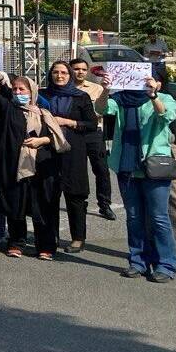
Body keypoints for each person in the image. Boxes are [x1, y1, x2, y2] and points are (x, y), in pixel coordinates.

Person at [104, 74, 176, 283]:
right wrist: (105, 90)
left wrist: (153, 95)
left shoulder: (165, 98)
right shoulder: (120, 99)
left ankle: (166, 263)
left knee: (158, 218)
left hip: (155, 167)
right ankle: (138, 261)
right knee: (134, 218)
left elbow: (165, 116)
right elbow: (101, 109)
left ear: (158, 83)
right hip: (127, 167)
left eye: (148, 79)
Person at [0, 75, 66, 260]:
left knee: (42, 207)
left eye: (22, 90)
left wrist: (42, 140)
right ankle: (16, 242)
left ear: (32, 91)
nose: (18, 93)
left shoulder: (43, 112)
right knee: (16, 205)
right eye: (15, 89)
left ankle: (45, 246)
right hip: (15, 167)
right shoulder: (9, 110)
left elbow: (58, 138)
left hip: (41, 168)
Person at [40, 60, 99, 253]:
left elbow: (91, 124)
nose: (60, 76)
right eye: (56, 72)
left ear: (70, 75)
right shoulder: (42, 95)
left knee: (75, 195)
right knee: (49, 195)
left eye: (64, 73)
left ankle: (78, 238)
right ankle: (50, 237)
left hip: (73, 151)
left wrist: (68, 122)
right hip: (48, 151)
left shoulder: (81, 97)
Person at [70, 58, 116, 220]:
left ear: (87, 71)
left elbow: (102, 110)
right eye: (76, 69)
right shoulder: (65, 88)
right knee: (77, 171)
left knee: (102, 170)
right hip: (73, 134)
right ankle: (79, 204)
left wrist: (105, 91)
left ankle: (104, 204)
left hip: (94, 133)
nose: (80, 72)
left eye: (83, 69)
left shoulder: (97, 88)